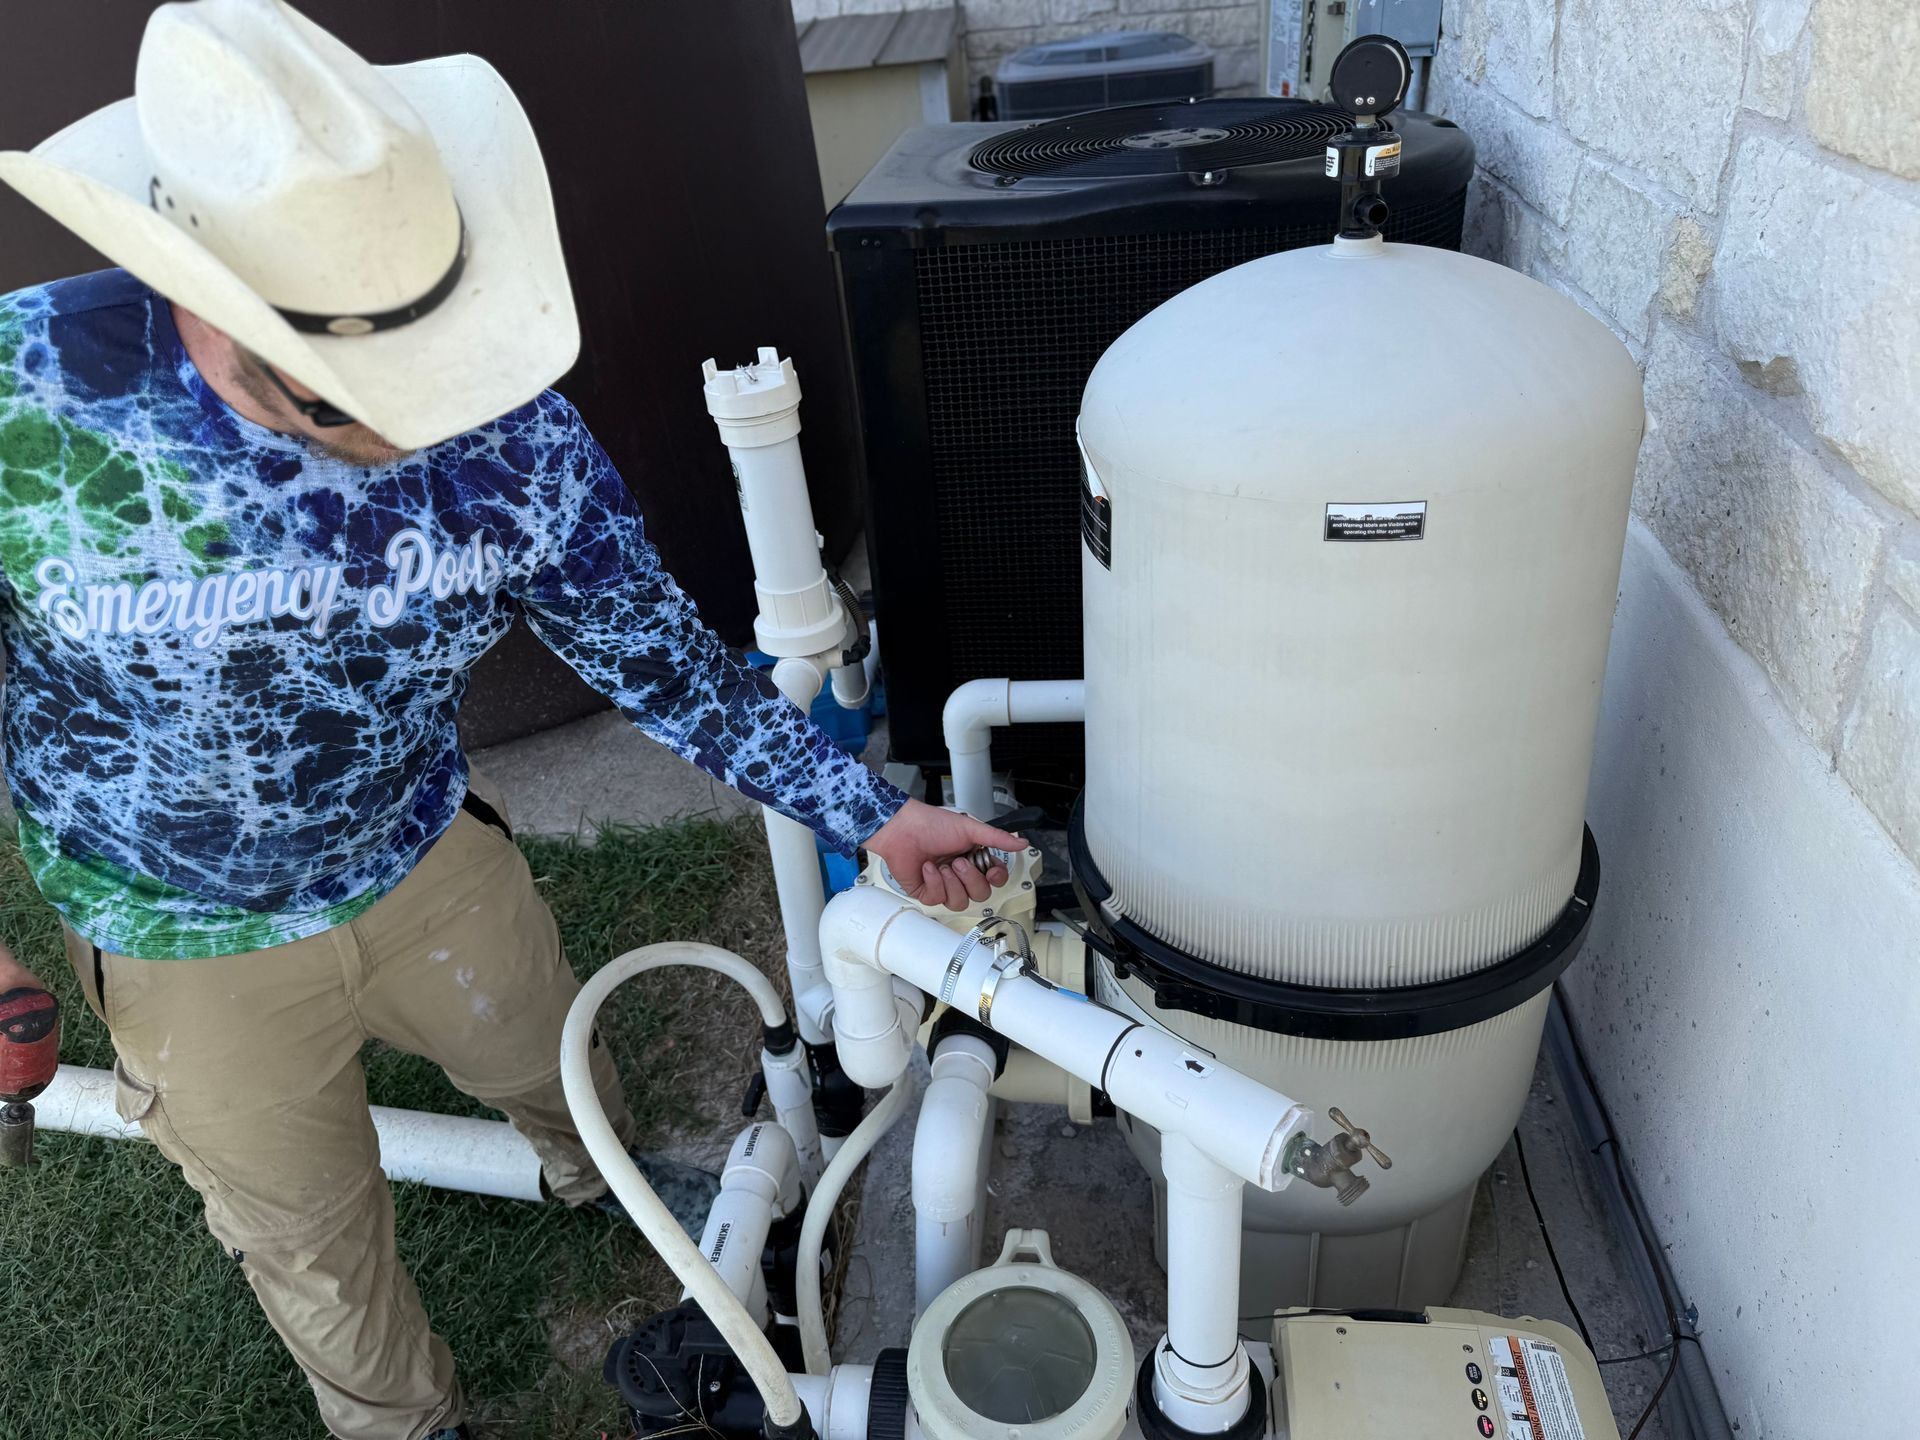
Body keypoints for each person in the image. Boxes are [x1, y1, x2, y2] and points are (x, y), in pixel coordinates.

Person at [0, 3, 1019, 1437]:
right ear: (207, 299)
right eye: (357, 394)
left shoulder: (503, 411)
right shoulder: (27, 400)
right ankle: (407, 1425)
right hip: (180, 936)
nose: (426, 424)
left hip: (423, 856)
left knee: (550, 1053)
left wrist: (872, 810)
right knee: (306, 1238)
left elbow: (661, 660)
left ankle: (597, 1173)